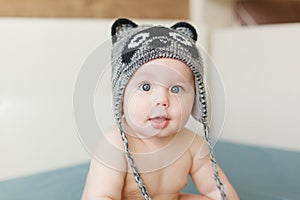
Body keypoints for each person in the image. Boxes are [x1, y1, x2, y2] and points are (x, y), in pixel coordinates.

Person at [81, 18, 239, 200]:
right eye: (146, 87)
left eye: (176, 89)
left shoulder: (192, 145)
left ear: (195, 99)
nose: (162, 100)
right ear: (121, 96)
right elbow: (102, 196)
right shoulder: (114, 146)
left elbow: (215, 189)